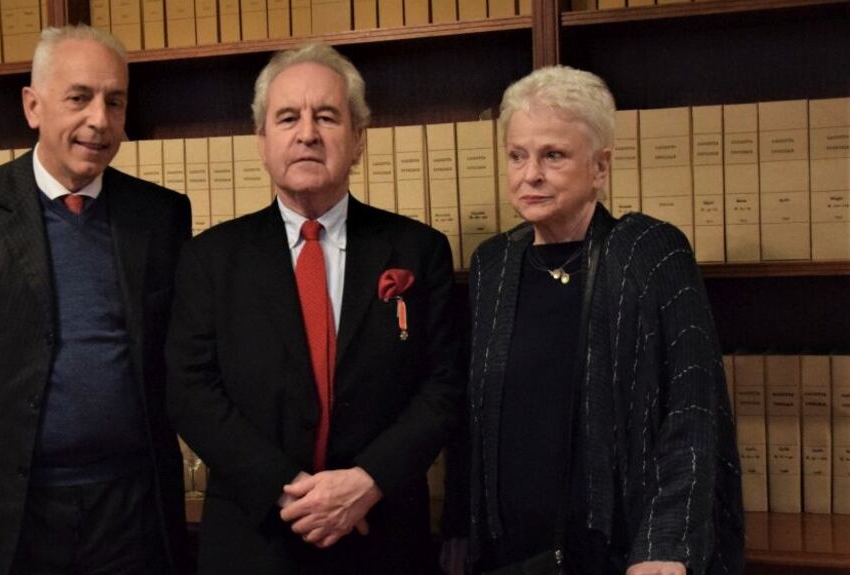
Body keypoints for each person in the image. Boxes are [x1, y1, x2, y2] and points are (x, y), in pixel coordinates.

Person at [0, 25, 191, 575]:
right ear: (33, 106)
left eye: (115, 101)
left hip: (132, 502)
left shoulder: (162, 215)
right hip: (11, 504)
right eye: (79, 98)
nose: (99, 120)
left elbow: (176, 346)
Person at [165, 43, 462, 574]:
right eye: (287, 118)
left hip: (384, 534)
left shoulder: (418, 250)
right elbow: (190, 391)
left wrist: (367, 481)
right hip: (254, 539)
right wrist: (290, 492)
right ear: (261, 140)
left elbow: (444, 386)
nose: (307, 133)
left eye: (326, 116)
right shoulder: (209, 258)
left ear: (358, 139)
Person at [460, 66, 744, 575]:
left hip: (624, 552)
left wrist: (665, 545)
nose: (531, 175)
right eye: (517, 155)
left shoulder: (651, 253)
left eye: (554, 155)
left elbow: (693, 406)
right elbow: (474, 419)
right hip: (512, 554)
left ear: (600, 166)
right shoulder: (493, 265)